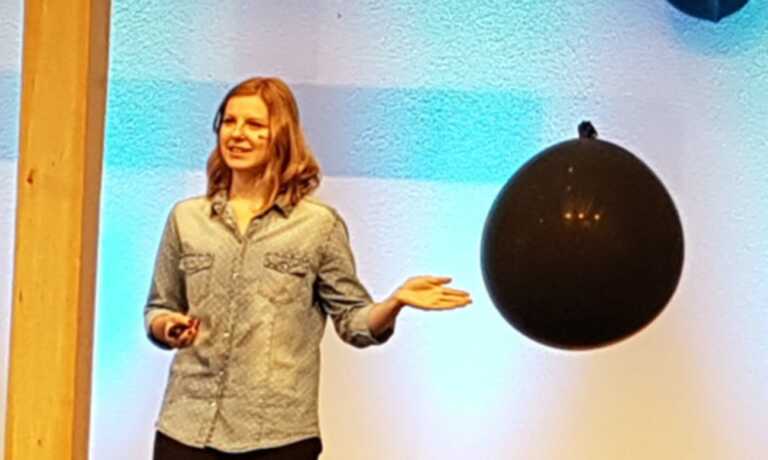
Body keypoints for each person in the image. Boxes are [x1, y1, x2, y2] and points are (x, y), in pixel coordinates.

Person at [144, 77, 472, 460]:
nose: (237, 134)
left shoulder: (318, 226)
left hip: (277, 437)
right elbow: (159, 306)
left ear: (281, 136)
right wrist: (166, 326)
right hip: (187, 428)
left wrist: (394, 302)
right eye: (230, 122)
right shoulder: (186, 218)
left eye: (255, 124)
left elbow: (353, 321)